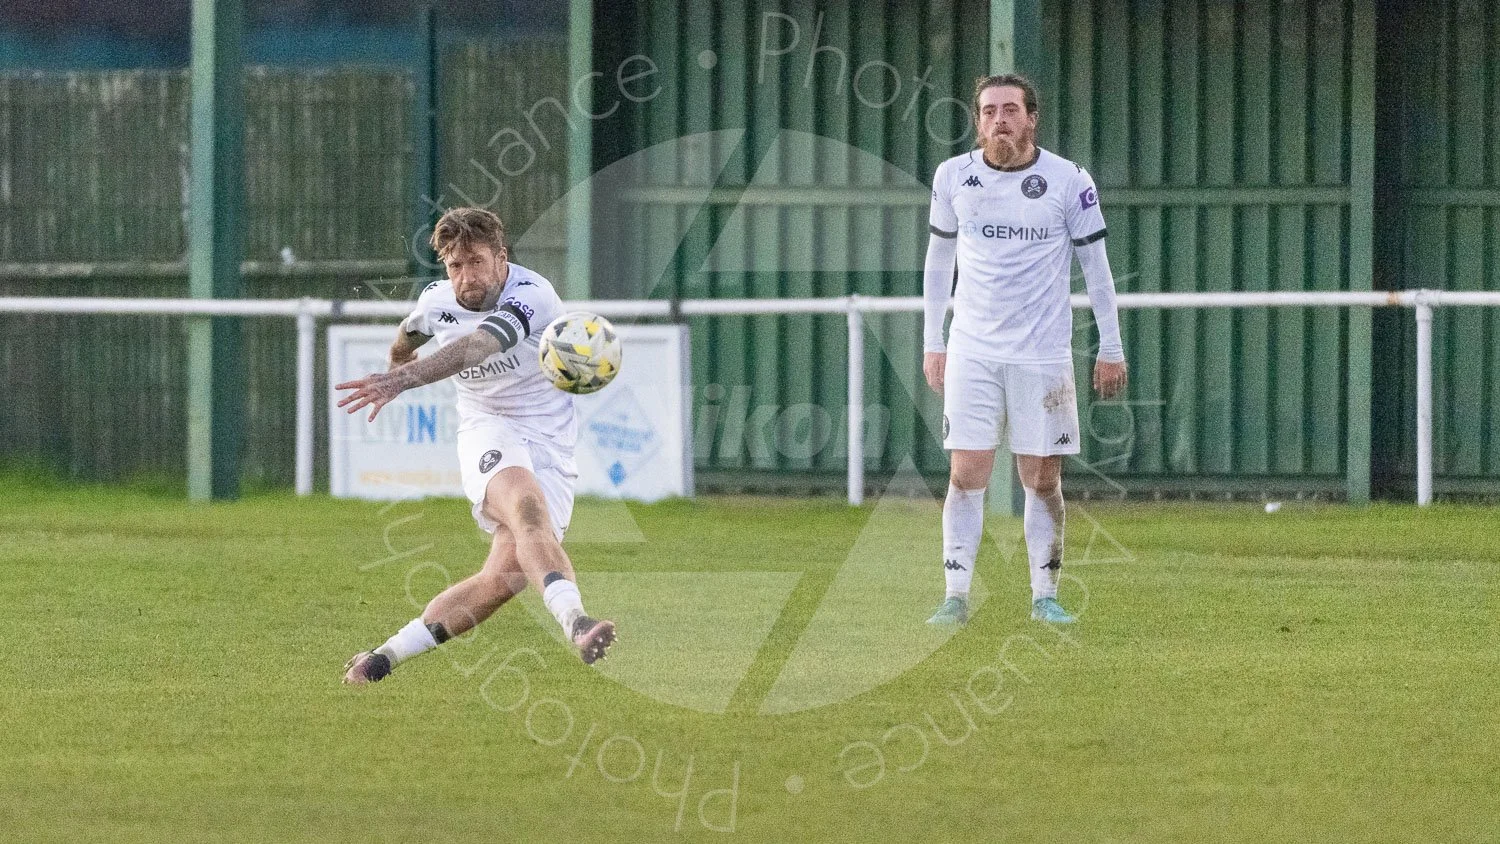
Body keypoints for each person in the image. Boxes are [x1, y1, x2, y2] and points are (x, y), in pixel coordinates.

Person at [339, 207, 615, 683]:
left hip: (549, 440)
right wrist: (394, 365)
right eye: (455, 266)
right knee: (527, 509)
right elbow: (409, 334)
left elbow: (481, 345)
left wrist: (401, 379)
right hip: (488, 429)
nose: (466, 278)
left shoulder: (532, 294)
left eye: (476, 262)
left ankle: (381, 658)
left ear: (501, 258)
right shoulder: (436, 301)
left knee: (501, 581)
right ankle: (578, 623)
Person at [921, 74, 1128, 626]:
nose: (999, 121)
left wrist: (1111, 346)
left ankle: (1045, 595)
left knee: (1042, 479)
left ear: (1032, 118)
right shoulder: (953, 177)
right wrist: (932, 341)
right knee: (966, 473)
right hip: (972, 352)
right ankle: (955, 596)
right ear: (977, 120)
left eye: (1010, 110)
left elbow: (1097, 270)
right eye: (989, 111)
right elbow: (939, 263)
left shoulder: (1068, 181)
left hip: (1043, 356)